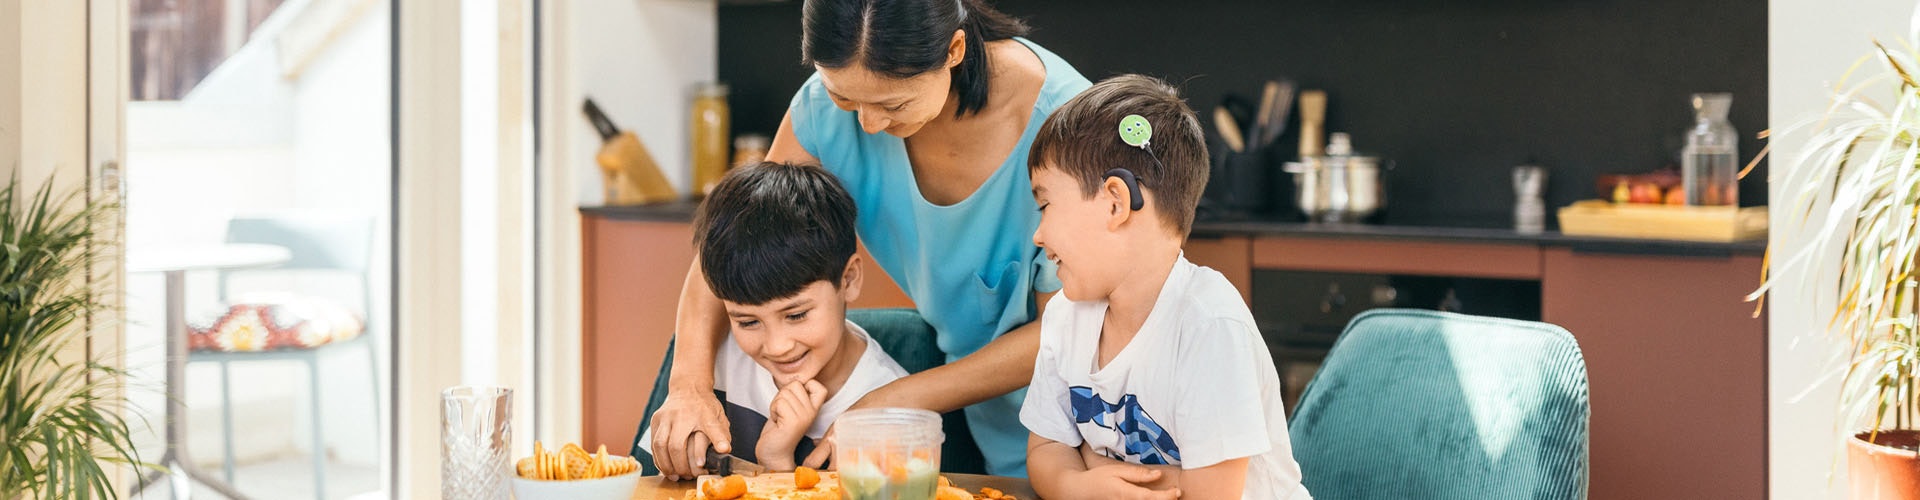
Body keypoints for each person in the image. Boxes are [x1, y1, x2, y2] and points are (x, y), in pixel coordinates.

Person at [648, 0, 1092, 479]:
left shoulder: (1069, 127)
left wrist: (890, 403)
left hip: (1083, 422)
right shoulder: (823, 106)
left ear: (954, 49)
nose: (868, 126)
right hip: (984, 424)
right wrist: (689, 384)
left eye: (893, 104)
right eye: (845, 99)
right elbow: (735, 237)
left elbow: (1068, 329)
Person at [1021, 75, 1313, 500]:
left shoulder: (1208, 325)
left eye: (1045, 205)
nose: (1038, 235)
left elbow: (1209, 495)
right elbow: (1045, 448)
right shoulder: (1067, 317)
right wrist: (1078, 485)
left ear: (1116, 202)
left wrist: (1092, 459)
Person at [636, 162, 910, 472]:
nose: (778, 346)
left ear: (848, 280)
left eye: (796, 315)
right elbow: (654, 486)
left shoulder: (893, 411)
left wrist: (776, 464)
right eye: (748, 322)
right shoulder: (713, 357)